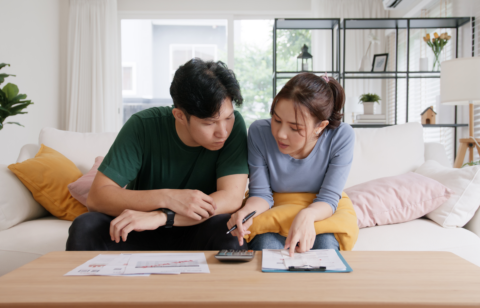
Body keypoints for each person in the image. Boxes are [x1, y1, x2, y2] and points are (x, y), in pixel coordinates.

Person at [66, 59, 249, 251]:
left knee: (229, 232)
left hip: (195, 228)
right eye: (209, 123)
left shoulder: (234, 127)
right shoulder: (142, 126)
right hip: (139, 228)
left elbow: (231, 197)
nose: (223, 132)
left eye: (228, 117)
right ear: (179, 115)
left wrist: (164, 217)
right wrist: (168, 198)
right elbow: (97, 198)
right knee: (85, 226)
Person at [227, 72, 356, 256]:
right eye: (277, 120)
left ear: (320, 126)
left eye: (295, 128)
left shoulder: (342, 136)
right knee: (266, 245)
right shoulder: (259, 133)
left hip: (322, 209)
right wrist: (246, 212)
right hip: (275, 208)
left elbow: (328, 198)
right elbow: (262, 194)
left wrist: (307, 215)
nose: (280, 134)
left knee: (326, 246)